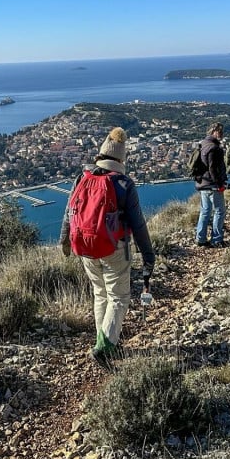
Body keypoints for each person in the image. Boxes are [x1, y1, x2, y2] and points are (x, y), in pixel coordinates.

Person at [59, 127, 155, 370]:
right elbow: (138, 223)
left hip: (84, 248)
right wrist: (148, 255)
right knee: (119, 297)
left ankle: (103, 340)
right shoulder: (123, 183)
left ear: (100, 154)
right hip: (115, 249)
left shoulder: (82, 178)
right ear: (121, 159)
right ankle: (105, 347)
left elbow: (69, 213)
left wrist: (65, 241)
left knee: (100, 294)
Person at [194, 122, 228, 248]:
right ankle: (217, 240)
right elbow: (213, 168)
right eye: (220, 131)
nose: (222, 134)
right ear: (214, 131)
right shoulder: (214, 148)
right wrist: (219, 184)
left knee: (205, 211)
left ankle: (200, 239)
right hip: (213, 184)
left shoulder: (202, 144)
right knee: (219, 211)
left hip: (202, 183)